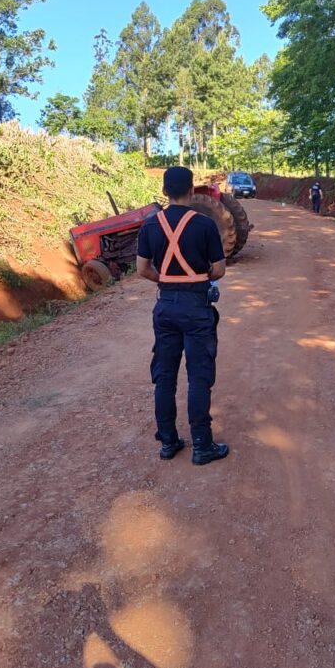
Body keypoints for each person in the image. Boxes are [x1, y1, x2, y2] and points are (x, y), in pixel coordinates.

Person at [136, 167, 229, 465]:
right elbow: (219, 270)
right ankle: (202, 445)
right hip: (196, 307)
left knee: (165, 376)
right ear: (191, 190)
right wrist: (196, 277)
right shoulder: (204, 225)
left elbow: (142, 269)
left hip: (165, 307)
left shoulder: (150, 225)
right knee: (199, 376)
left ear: (165, 192)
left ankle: (168, 441)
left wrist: (167, 280)